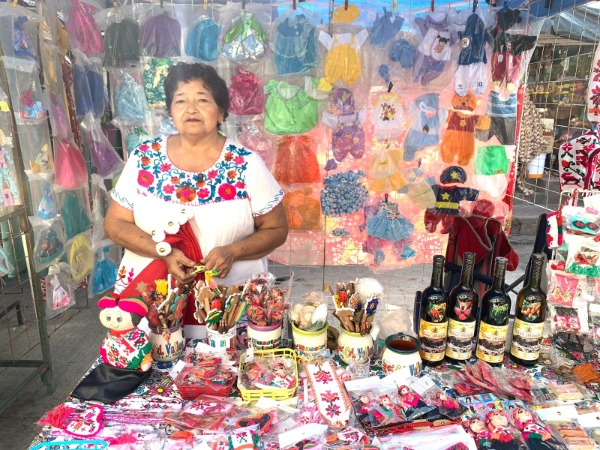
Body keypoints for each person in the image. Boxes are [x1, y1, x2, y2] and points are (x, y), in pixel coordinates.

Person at [104, 62, 288, 339]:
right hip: (150, 304)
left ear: (221, 112)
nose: (191, 108)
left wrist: (233, 251)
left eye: (202, 99)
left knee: (226, 361)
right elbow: (115, 224)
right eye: (180, 100)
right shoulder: (144, 158)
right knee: (152, 360)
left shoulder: (246, 164)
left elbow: (276, 229)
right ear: (170, 111)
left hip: (227, 307)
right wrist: (161, 252)